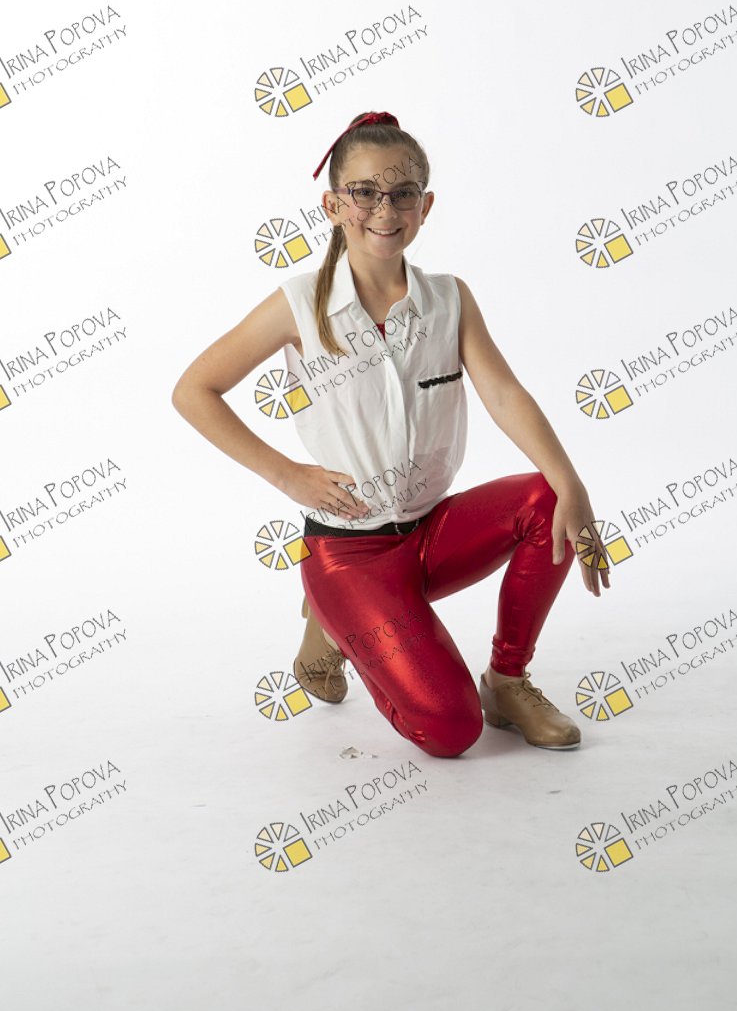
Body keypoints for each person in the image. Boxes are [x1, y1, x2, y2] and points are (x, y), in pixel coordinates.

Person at [171, 110, 611, 760]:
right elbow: (193, 390)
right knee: (450, 731)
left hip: (429, 534)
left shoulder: (449, 299)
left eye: (403, 193)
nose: (385, 209)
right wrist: (288, 475)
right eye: (364, 192)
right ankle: (333, 616)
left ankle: (508, 681)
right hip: (351, 550)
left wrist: (572, 484)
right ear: (333, 205)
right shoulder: (299, 304)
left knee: (548, 499)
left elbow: (503, 394)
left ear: (425, 207)